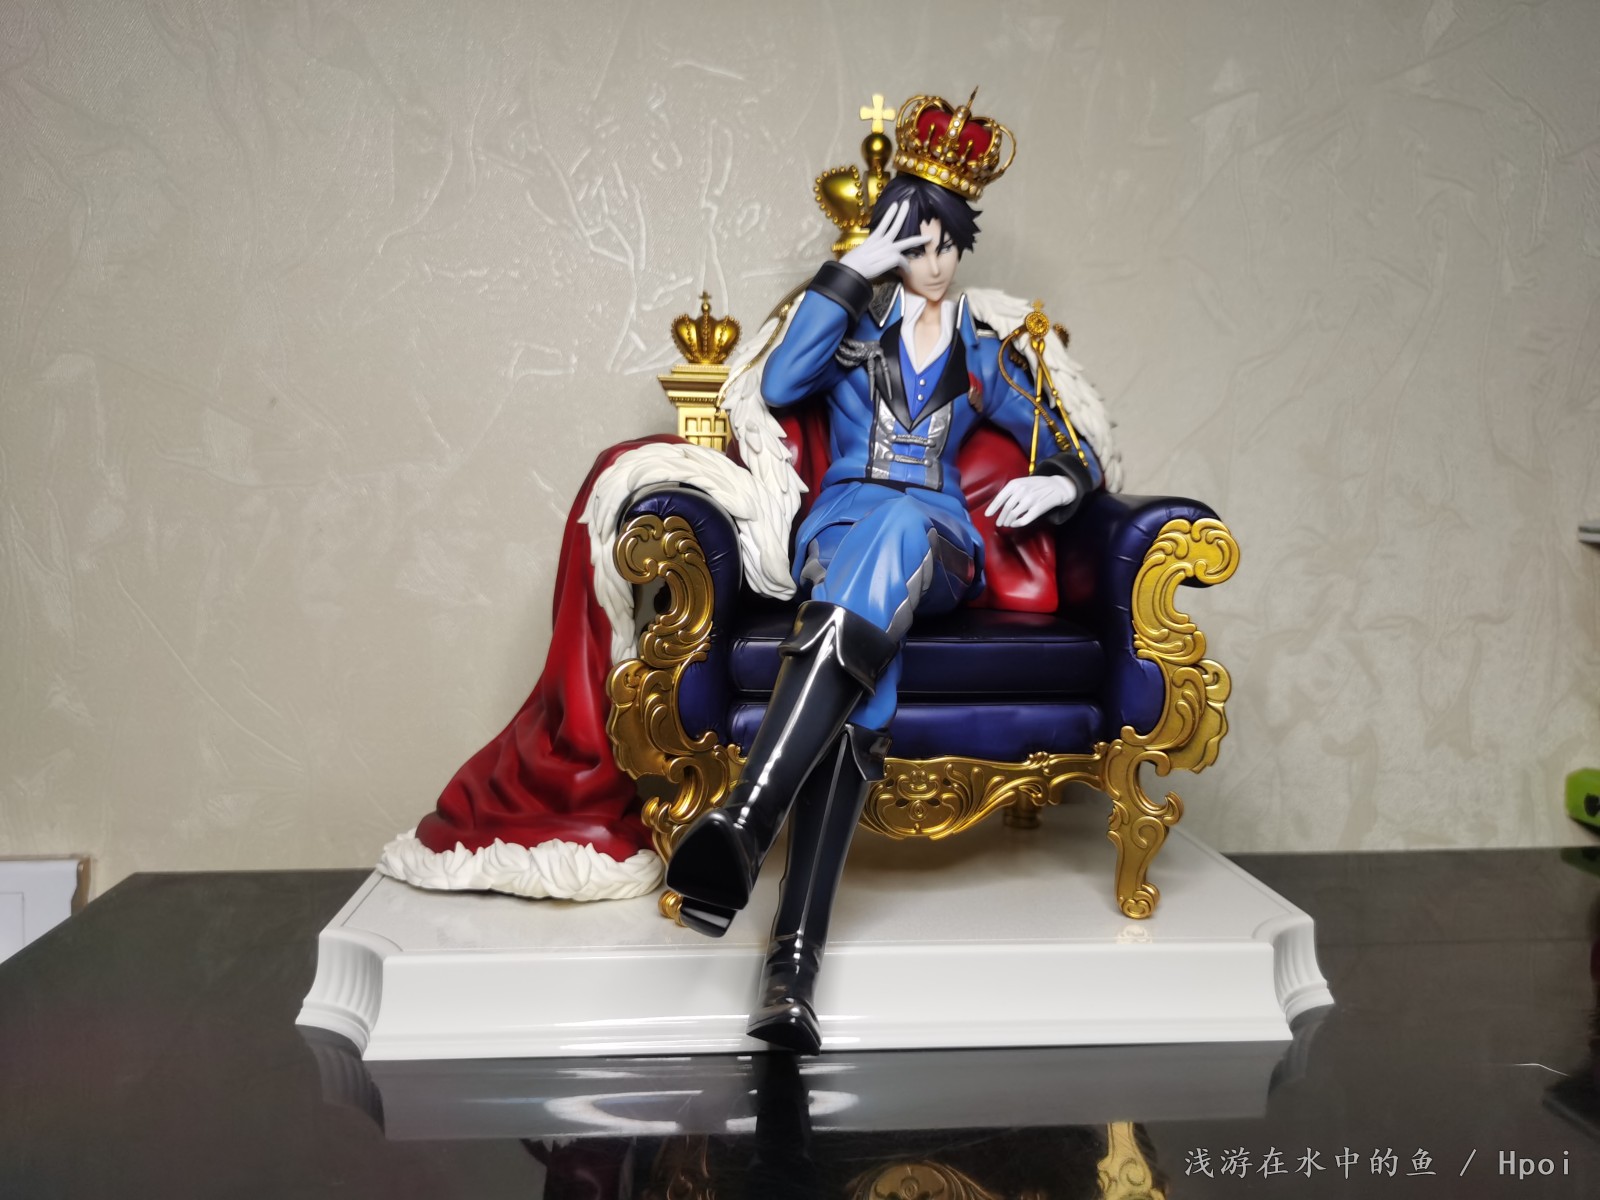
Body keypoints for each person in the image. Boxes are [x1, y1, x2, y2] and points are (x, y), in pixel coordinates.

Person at [666, 98, 1106, 1054]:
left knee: (904, 524)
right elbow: (778, 386)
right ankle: (790, 972)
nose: (935, 263)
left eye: (948, 245)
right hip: (840, 536)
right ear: (891, 243)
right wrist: (850, 271)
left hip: (939, 543)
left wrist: (1060, 482)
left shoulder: (985, 353)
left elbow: (1073, 441)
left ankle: (748, 812)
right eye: (916, 243)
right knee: (872, 676)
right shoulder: (850, 329)